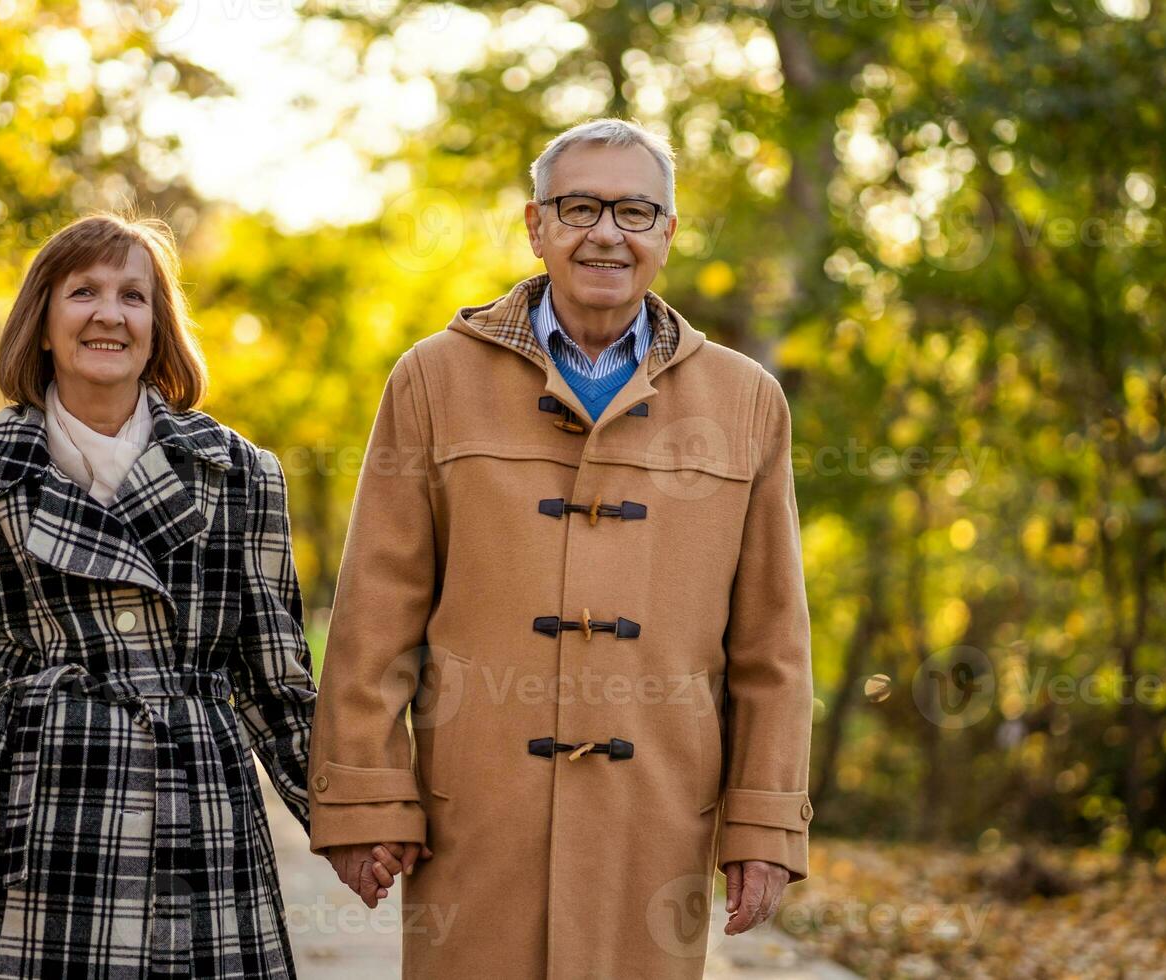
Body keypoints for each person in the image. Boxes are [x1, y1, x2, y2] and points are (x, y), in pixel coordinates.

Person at [306, 118, 815, 978]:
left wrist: (763, 822)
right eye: (579, 207)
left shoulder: (745, 401)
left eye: (635, 211)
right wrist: (365, 800)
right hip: (476, 819)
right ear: (536, 226)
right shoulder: (434, 379)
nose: (606, 232)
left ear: (668, 235)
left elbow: (772, 646)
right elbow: (374, 614)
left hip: (656, 820)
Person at [0, 212, 316, 979]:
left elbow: (276, 678)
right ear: (42, 324)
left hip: (194, 812)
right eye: (83, 291)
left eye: (133, 296)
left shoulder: (241, 474)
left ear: (157, 328)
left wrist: (358, 823)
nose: (109, 313)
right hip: (27, 818)